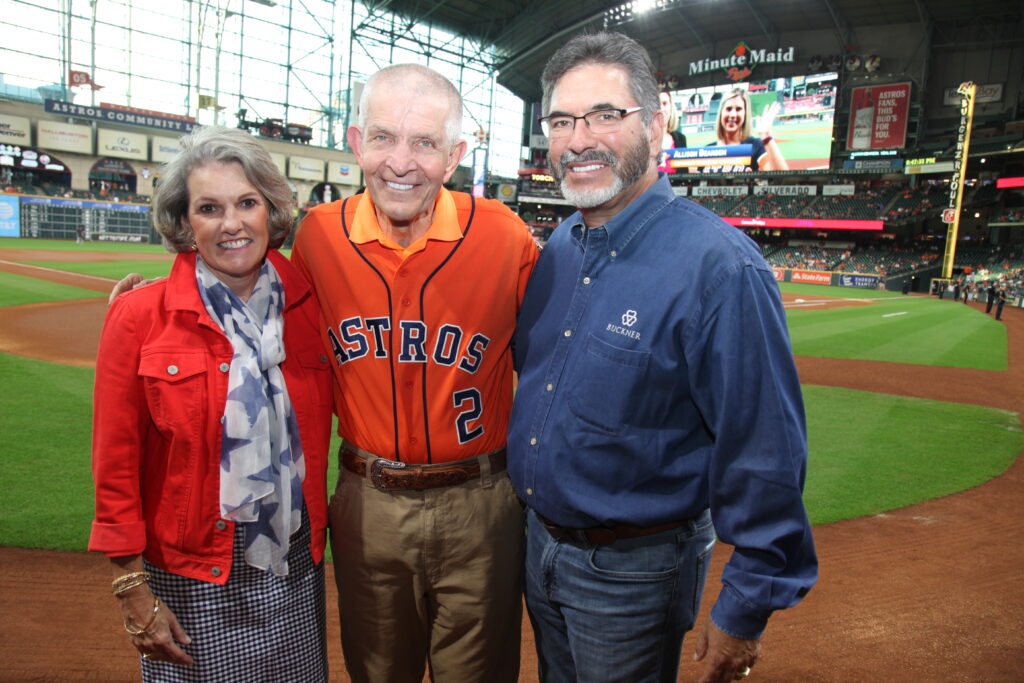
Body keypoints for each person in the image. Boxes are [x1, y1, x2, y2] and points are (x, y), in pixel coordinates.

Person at [509, 31, 816, 683]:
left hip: (632, 573)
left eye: (605, 116)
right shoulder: (561, 243)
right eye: (562, 120)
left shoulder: (721, 268)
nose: (579, 138)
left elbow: (765, 449)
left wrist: (746, 604)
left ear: (656, 124)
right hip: (538, 547)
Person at [291, 64, 538, 682]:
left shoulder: (505, 238)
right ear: (355, 143)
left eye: (424, 143)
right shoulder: (317, 238)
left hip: (481, 505)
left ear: (454, 156)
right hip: (368, 505)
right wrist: (152, 308)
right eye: (382, 138)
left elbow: (566, 345)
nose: (400, 163)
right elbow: (259, 320)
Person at [90, 126, 333, 681]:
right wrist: (131, 588)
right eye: (209, 208)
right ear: (183, 222)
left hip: (293, 565)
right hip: (194, 573)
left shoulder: (309, 309)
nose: (231, 224)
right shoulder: (140, 317)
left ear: (272, 212)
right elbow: (116, 461)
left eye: (247, 203)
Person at [702, 87, 788, 172]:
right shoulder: (708, 150)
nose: (732, 114)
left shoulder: (755, 146)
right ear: (721, 113)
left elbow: (781, 176)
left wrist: (767, 137)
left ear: (745, 114)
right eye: (728, 109)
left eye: (739, 109)